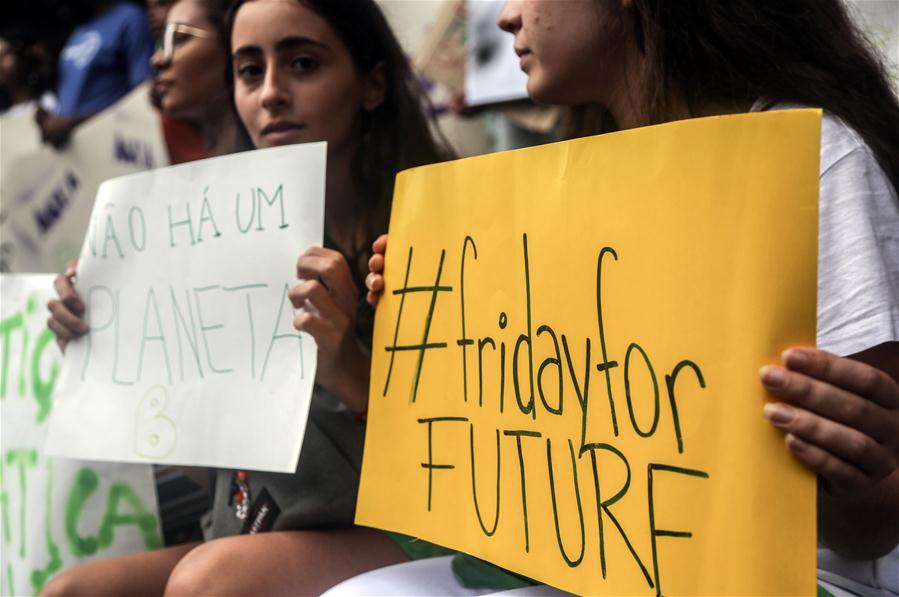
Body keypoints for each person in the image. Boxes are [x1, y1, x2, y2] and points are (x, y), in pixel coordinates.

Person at [366, 0, 899, 592]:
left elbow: (870, 529)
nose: (505, 17)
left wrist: (849, 478)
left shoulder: (816, 164)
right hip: (609, 559)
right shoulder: (583, 178)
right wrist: (430, 320)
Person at [43, 0, 450, 594]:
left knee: (209, 579)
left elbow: (463, 466)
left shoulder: (435, 230)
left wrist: (351, 371)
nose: (271, 94)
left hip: (409, 526)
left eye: (303, 64)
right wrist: (98, 344)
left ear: (372, 84)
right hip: (266, 521)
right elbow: (214, 469)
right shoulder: (213, 240)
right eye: (249, 71)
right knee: (69, 591)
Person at [36, 0, 155, 147]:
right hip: (76, 155)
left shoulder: (130, 18)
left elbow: (144, 96)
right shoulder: (80, 30)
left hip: (111, 147)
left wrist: (73, 122)